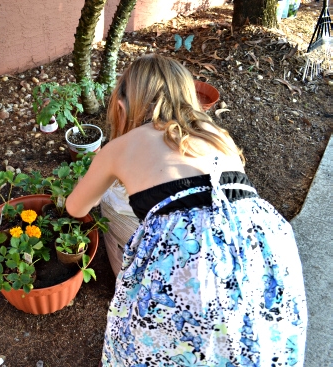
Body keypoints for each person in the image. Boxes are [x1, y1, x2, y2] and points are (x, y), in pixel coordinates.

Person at [66, 54, 307, 366]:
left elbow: (76, 206)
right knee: (250, 342)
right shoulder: (217, 135)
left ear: (123, 104)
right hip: (264, 244)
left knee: (167, 348)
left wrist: (103, 166)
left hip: (192, 257)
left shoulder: (120, 149)